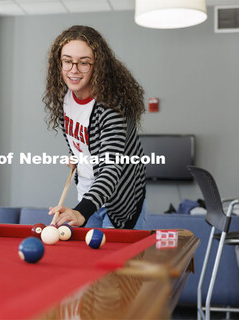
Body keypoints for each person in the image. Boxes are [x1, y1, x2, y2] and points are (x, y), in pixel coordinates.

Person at [44, 25, 146, 229]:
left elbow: (110, 167)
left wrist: (81, 212)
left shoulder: (111, 107)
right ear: (59, 63)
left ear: (97, 65)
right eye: (67, 61)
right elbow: (81, 141)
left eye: (84, 63)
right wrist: (77, 156)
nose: (74, 70)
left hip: (119, 202)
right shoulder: (66, 98)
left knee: (120, 261)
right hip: (88, 196)